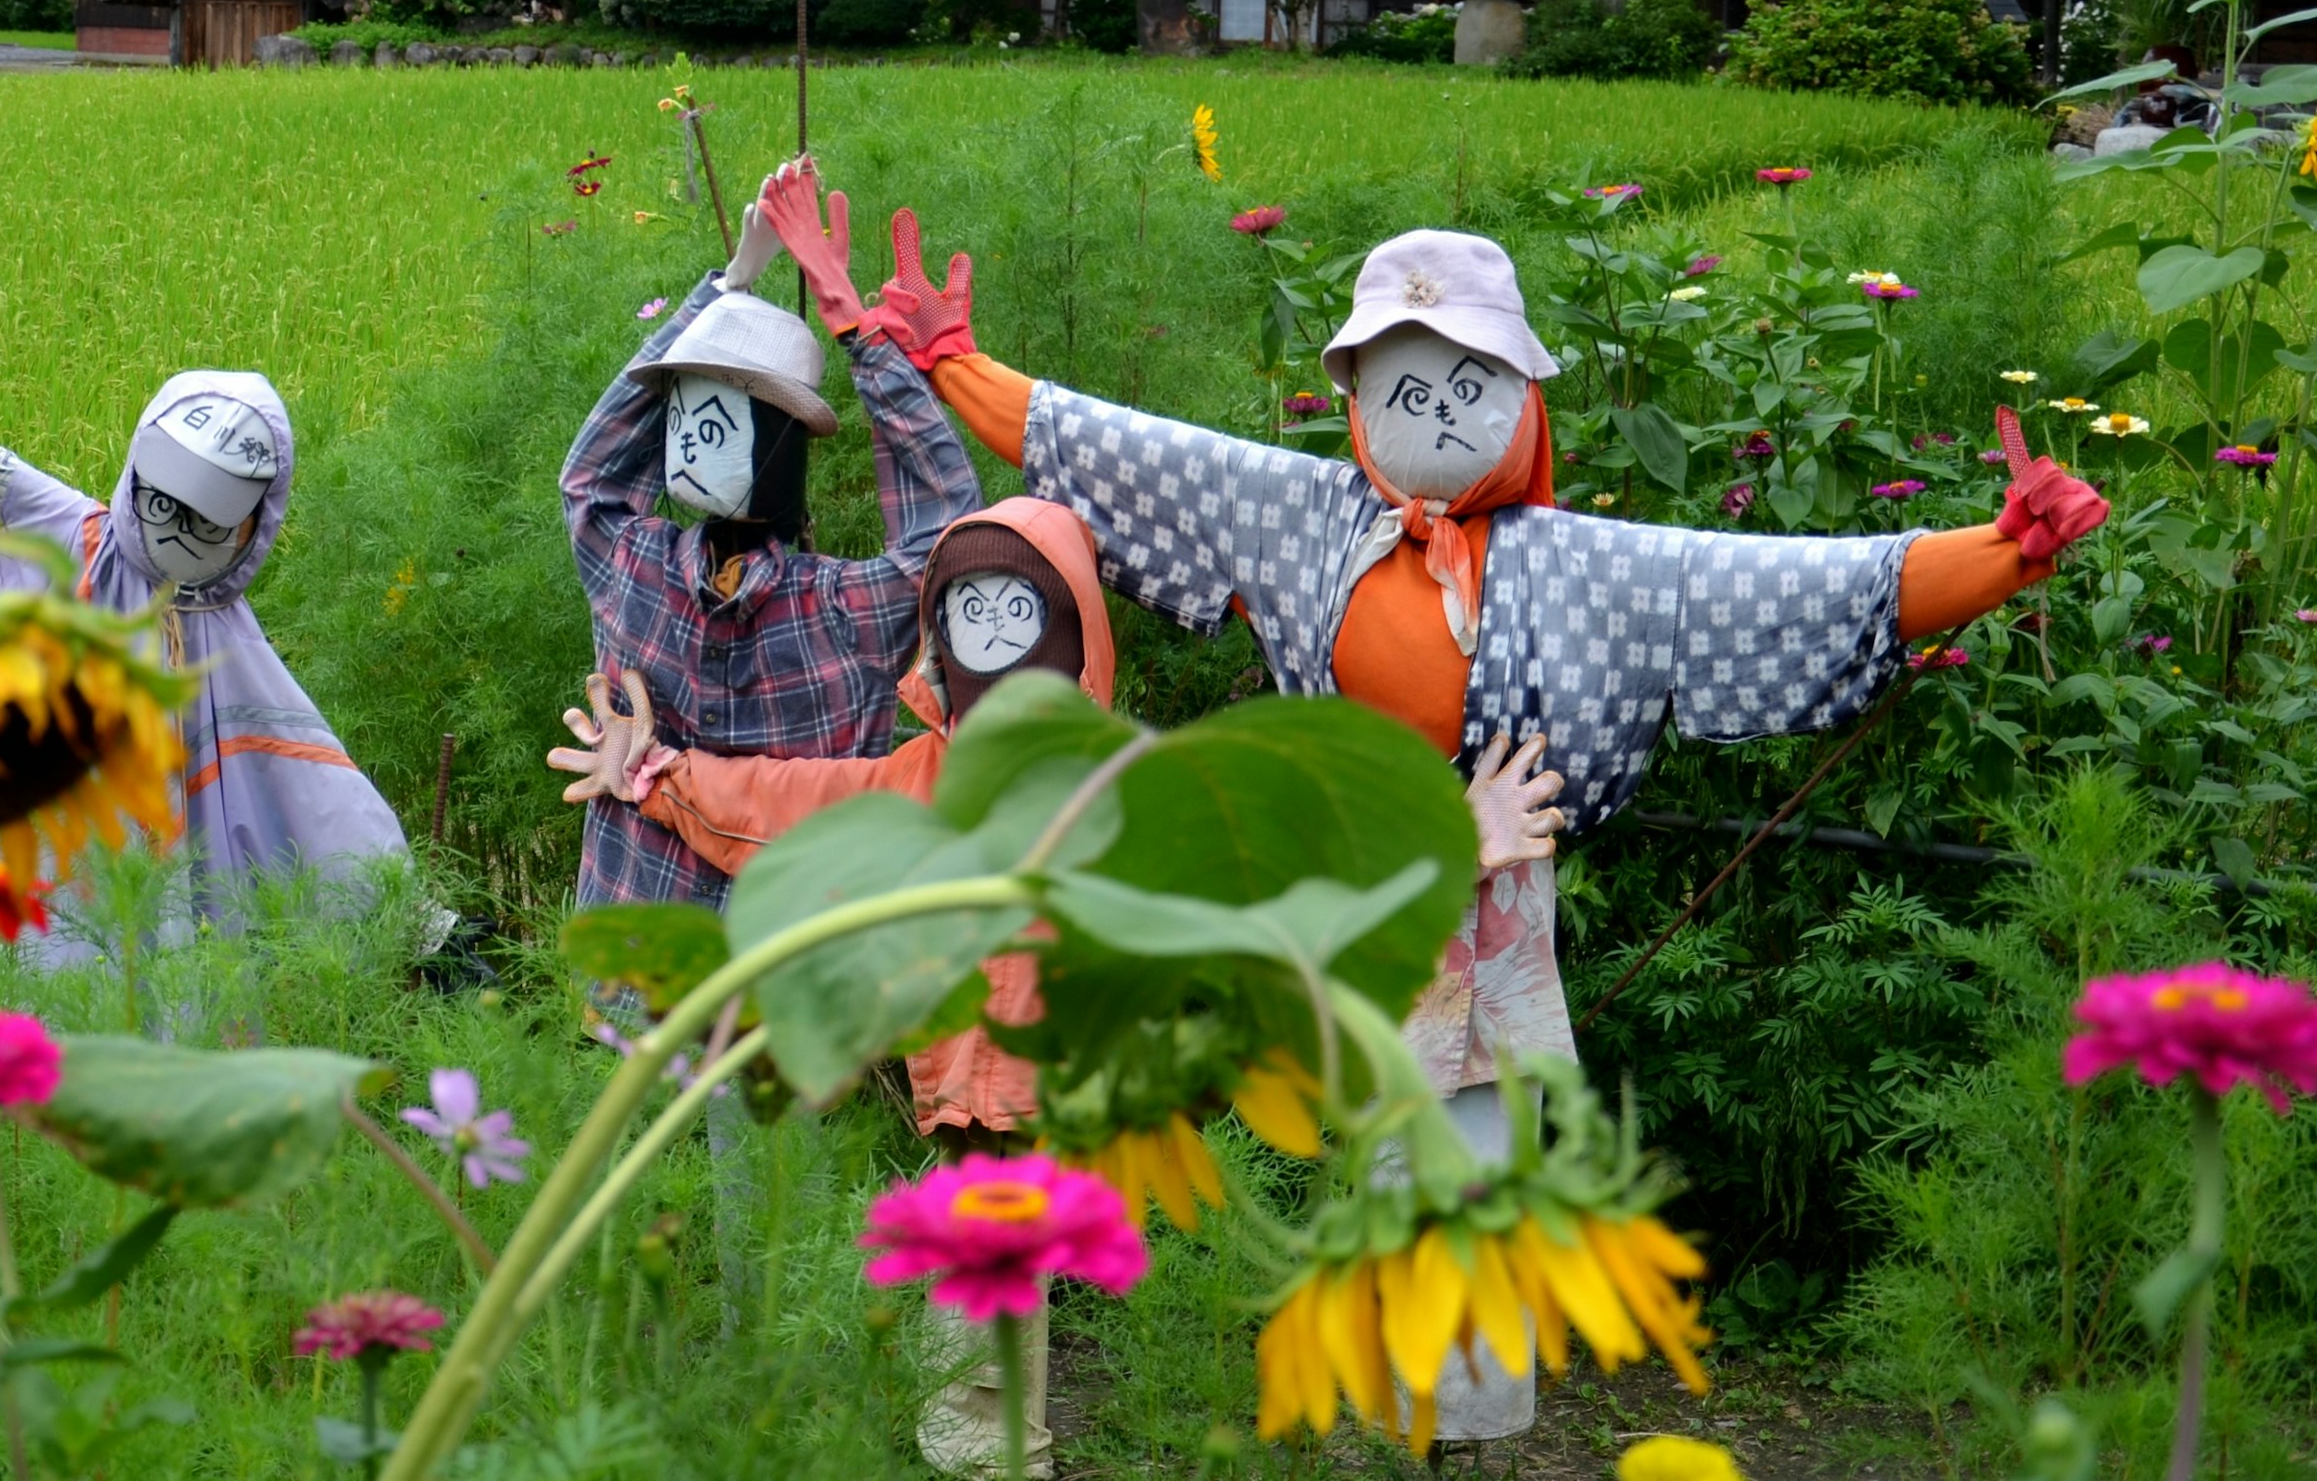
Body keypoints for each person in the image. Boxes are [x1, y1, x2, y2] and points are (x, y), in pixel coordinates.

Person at [875, 211, 2110, 1441]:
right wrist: (951, 362)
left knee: (1470, 1172)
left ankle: (1458, 1433)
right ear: (1356, 396)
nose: (1440, 411)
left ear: (1523, 393)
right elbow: (1122, 449)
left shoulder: (1587, 565)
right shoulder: (1301, 518)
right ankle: (1372, 1408)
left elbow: (1780, 585)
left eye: (1471, 382)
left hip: (1492, 923)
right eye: (1407, 383)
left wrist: (2001, 555)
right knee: (1340, 1165)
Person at [554, 494, 1114, 1480]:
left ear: (1072, 630)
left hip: (1094, 1094)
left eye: (1015, 607)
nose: (988, 631)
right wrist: (655, 772)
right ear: (938, 635)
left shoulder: (1114, 781)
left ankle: (1001, 1445)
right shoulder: (919, 776)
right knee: (977, 1309)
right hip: (968, 1107)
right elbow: (781, 803)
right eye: (965, 608)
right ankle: (985, 1455)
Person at [0, 321, 408, 913]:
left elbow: (316, 788)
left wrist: (421, 922)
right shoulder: (81, 541)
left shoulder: (227, 636)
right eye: (164, 498)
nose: (176, 528)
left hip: (195, 912)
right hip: (73, 874)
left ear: (253, 525)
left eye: (209, 514)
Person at [565, 158, 978, 910]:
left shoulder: (635, 566)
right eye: (680, 415)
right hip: (778, 984)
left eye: (713, 421)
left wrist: (728, 288)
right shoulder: (842, 606)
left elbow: (591, 479)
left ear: (780, 442)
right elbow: (945, 537)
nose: (686, 442)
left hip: (641, 968)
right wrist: (851, 331)